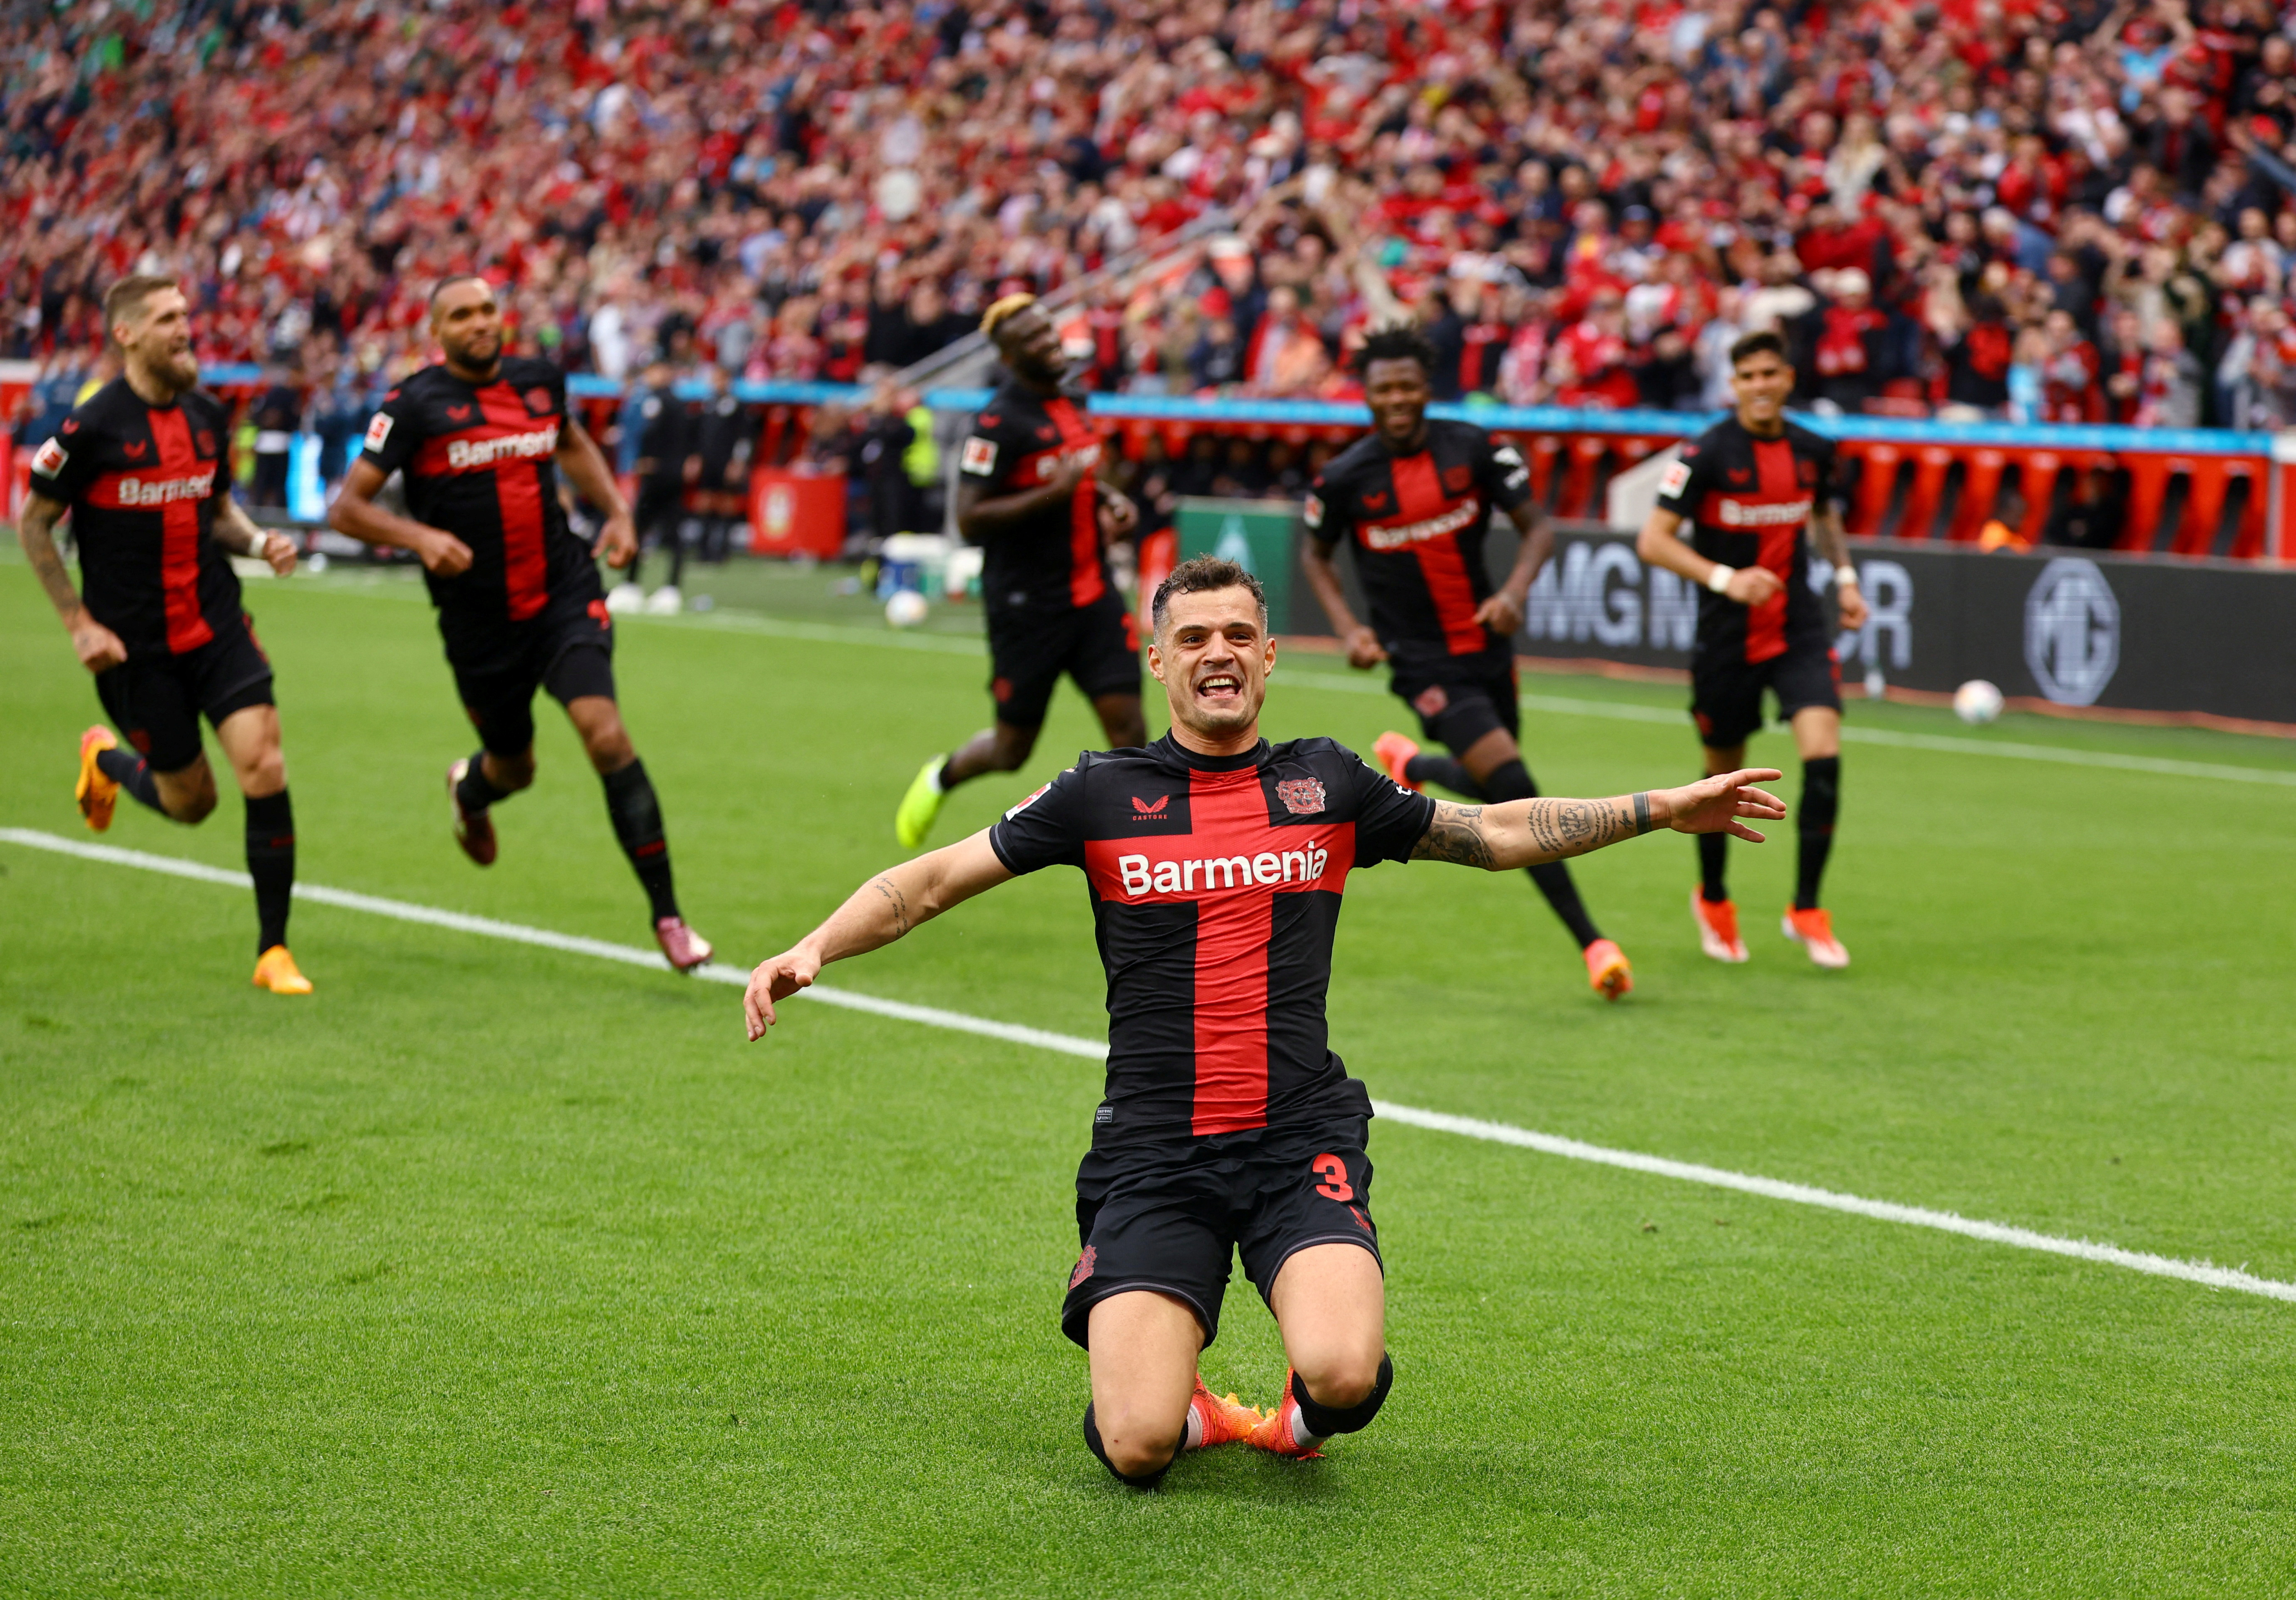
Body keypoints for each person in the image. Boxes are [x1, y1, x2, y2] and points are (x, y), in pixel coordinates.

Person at [743, 556, 1785, 1488]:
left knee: (1344, 1375)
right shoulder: (1100, 792)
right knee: (1137, 1445)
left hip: (1297, 1136)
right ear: (1157, 660)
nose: (1217, 654)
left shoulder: (1325, 781)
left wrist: (1661, 806)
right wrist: (813, 946)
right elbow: (929, 882)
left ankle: (1294, 1416)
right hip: (1155, 1150)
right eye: (1192, 637)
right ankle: (1188, 1405)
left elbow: (1496, 833)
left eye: (1238, 634)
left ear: (1271, 656)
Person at [327, 275, 712, 972]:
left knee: (607, 735)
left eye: (486, 310)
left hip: (561, 592)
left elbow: (570, 446)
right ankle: (470, 789)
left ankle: (670, 918)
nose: (479, 323)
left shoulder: (539, 382)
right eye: (461, 315)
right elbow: (347, 509)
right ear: (436, 333)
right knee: (516, 767)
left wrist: (619, 515)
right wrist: (421, 540)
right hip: (479, 622)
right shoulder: (413, 405)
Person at [1300, 324, 1634, 1000]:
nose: (1395, 400)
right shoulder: (1343, 477)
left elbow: (1537, 525)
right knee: (1514, 787)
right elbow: (1313, 551)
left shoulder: (1472, 446)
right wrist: (1349, 629)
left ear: (1426, 389)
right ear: (1366, 396)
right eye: (1382, 389)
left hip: (1485, 641)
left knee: (1495, 777)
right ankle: (1593, 943)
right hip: (1420, 662)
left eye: (1407, 387)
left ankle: (1415, 768)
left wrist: (1513, 594)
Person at [15, 275, 312, 994]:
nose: (187, 329)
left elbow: (218, 512)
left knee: (264, 767)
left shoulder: (209, 416)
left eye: (187, 316)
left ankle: (273, 952)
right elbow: (32, 524)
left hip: (216, 627)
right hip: (134, 650)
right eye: (169, 319)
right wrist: (78, 624)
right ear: (128, 335)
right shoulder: (90, 431)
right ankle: (107, 761)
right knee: (193, 803)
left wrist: (258, 542)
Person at [1635, 328, 1870, 969]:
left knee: (1823, 758)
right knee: (1719, 780)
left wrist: (1845, 581)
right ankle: (1713, 898)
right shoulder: (1706, 451)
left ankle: (1806, 909)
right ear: (1732, 384)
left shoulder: (1813, 450)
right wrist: (1725, 579)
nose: (1760, 386)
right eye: (1748, 376)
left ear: (1787, 379)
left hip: (1797, 625)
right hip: (1726, 636)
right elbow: (1652, 541)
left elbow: (1823, 517)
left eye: (1771, 373)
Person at [892, 294, 1144, 849]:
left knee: (1129, 727)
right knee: (1012, 750)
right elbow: (970, 518)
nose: (1048, 344)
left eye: (1047, 332)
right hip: (1028, 606)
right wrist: (1047, 495)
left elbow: (1078, 474)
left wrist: (1105, 500)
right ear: (1008, 358)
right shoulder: (998, 423)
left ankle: (1139, 853)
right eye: (1031, 340)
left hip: (1095, 592)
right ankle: (942, 775)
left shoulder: (1074, 400)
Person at [613, 355, 694, 614]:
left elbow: (652, 434)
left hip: (659, 473)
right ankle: (670, 588)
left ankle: (633, 585)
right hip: (672, 473)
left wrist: (648, 460)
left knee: (642, 528)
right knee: (672, 532)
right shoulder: (680, 403)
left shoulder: (658, 401)